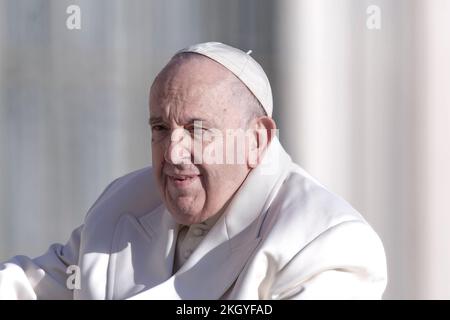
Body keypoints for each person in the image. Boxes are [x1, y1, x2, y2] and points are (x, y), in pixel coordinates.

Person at [0, 42, 387, 300]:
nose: (173, 151)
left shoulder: (327, 242)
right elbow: (31, 286)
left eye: (197, 130)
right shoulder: (122, 203)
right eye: (160, 128)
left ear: (257, 140)